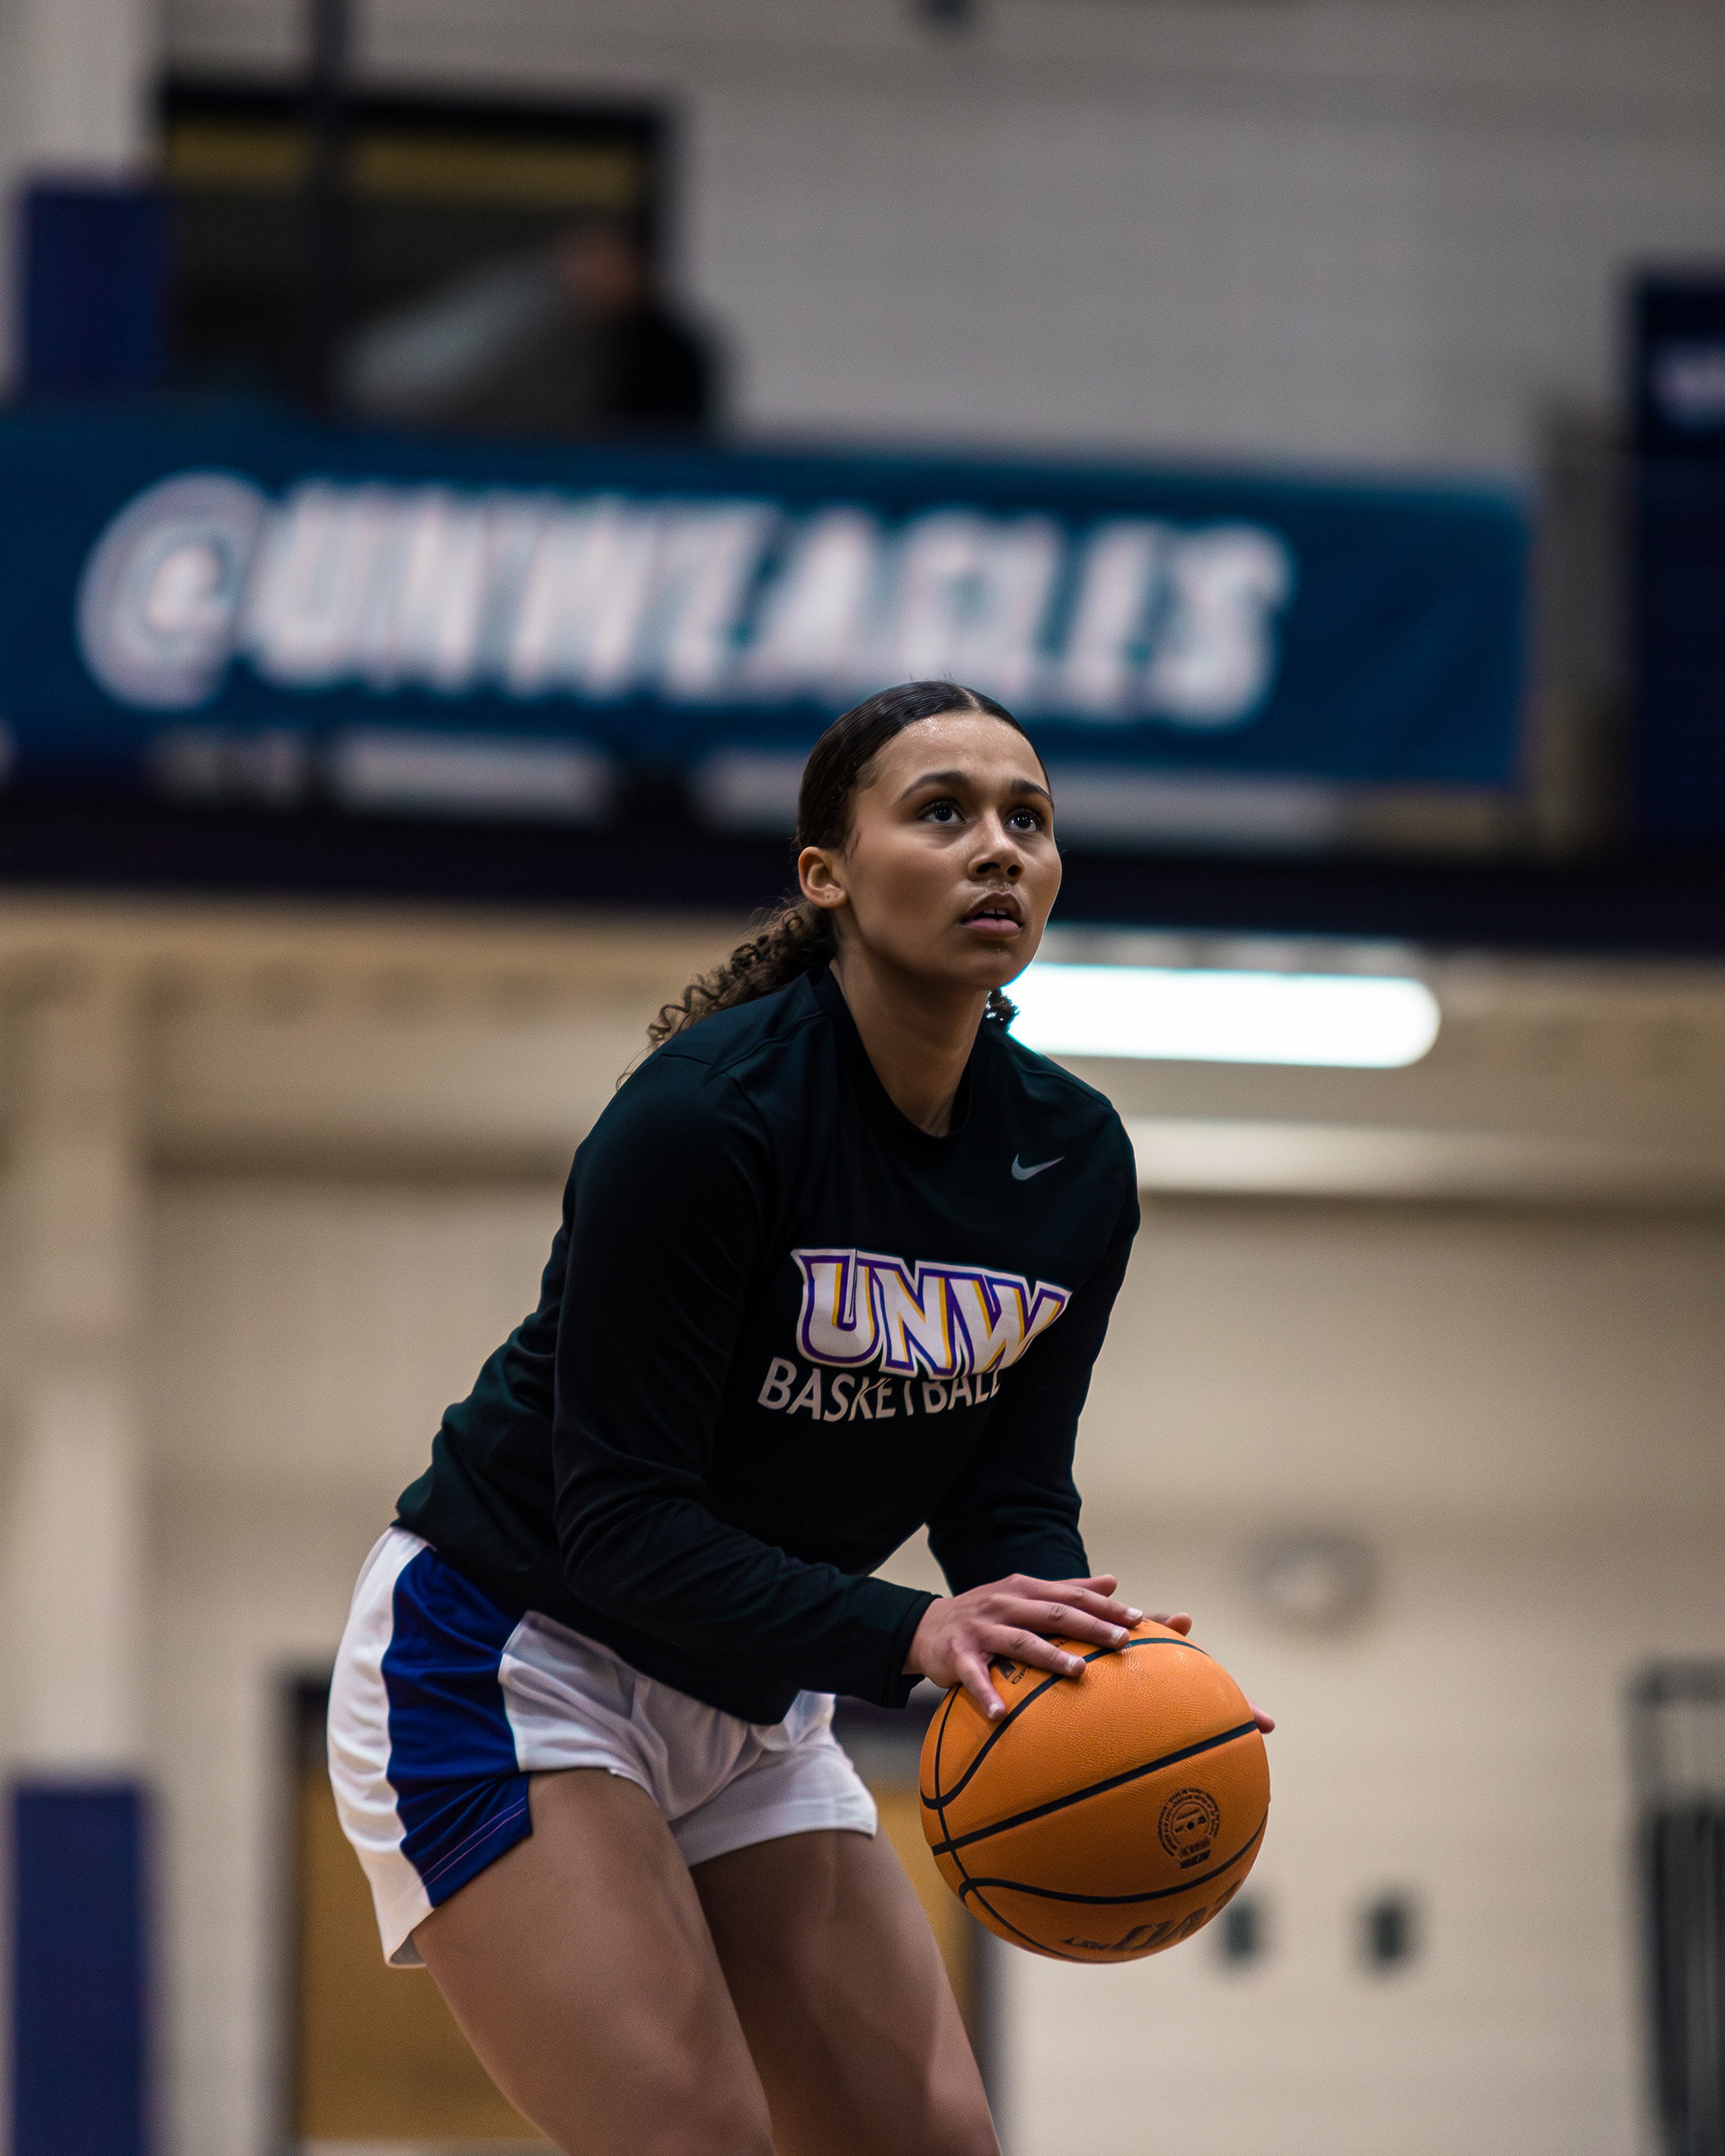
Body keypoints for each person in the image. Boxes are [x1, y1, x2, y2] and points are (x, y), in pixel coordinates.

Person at [327, 678, 1255, 2156]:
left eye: (1028, 819)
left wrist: (1079, 1662)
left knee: (929, 2141)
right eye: (942, 812)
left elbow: (1005, 1490)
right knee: (694, 2133)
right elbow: (621, 1526)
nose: (997, 848)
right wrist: (913, 1635)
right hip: (513, 1655)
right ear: (827, 874)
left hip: (755, 1697)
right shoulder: (706, 1118)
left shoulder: (1072, 1156)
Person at [340, 213, 715, 438]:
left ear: (633, 270)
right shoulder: (533, 310)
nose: (581, 280)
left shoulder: (660, 349)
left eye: (597, 265)